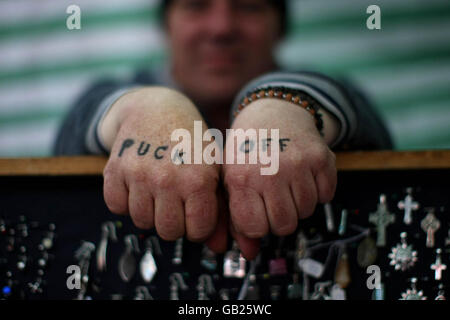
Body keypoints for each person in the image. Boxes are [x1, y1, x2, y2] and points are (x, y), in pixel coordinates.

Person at [54, 0, 392, 264]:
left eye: (249, 6)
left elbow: (367, 128)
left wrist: (280, 103)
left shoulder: (337, 92)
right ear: (166, 25)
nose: (221, 28)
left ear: (281, 28)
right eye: (196, 5)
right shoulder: (107, 93)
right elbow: (71, 137)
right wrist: (142, 109)